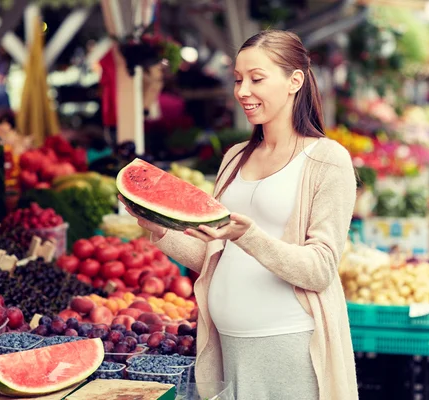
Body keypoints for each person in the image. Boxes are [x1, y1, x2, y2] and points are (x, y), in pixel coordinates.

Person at [120, 30, 358, 399]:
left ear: (295, 80)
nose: (242, 91)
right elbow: (214, 256)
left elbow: (320, 269)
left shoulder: (327, 160)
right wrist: (161, 229)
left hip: (286, 344)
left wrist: (248, 235)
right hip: (226, 343)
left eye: (256, 79)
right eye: (238, 80)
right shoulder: (235, 157)